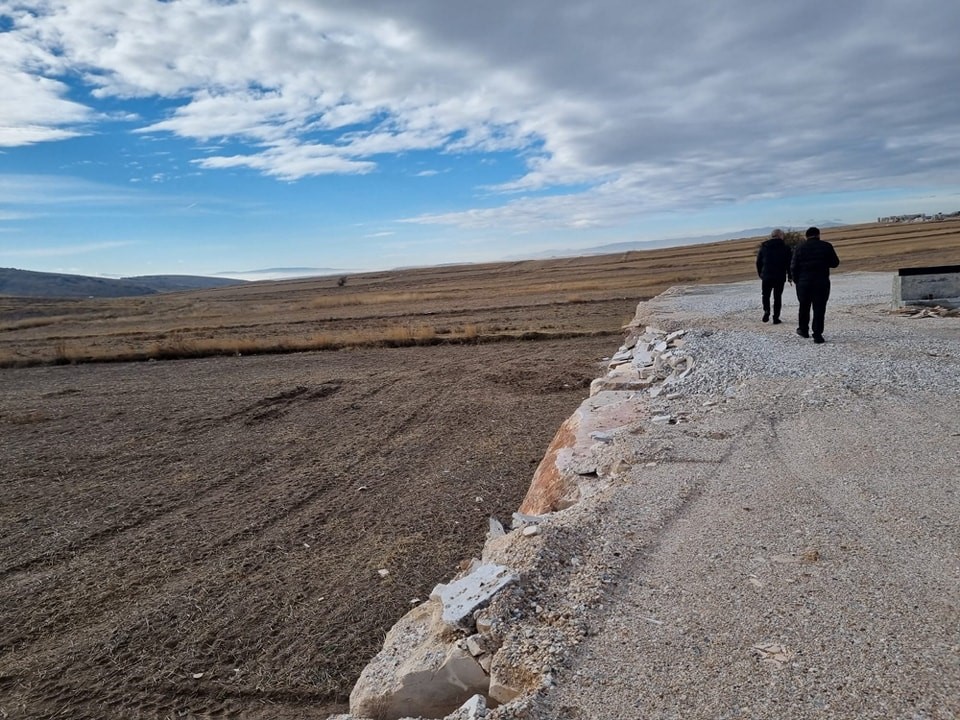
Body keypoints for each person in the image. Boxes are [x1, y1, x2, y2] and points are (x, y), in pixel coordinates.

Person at [790, 226, 840, 344]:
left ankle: (803, 330)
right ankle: (817, 335)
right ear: (818, 235)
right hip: (821, 282)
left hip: (804, 283)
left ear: (806, 236)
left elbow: (793, 266)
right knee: (819, 308)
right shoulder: (826, 246)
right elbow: (835, 263)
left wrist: (797, 281)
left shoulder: (799, 248)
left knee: (804, 306)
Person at [755, 229, 792, 324]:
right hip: (780, 276)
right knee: (777, 297)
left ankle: (766, 310)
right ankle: (776, 317)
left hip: (767, 275)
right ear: (780, 236)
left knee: (765, 295)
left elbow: (758, 262)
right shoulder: (785, 247)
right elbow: (789, 263)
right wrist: (790, 276)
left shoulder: (764, 247)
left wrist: (761, 273)